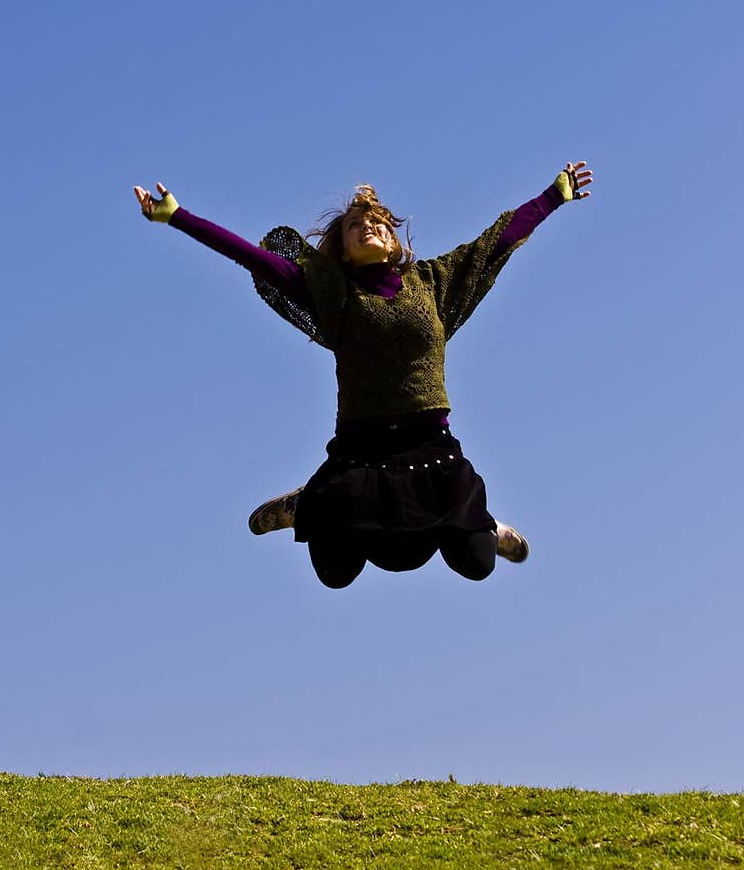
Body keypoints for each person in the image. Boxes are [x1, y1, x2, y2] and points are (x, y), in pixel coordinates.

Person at [132, 162, 593, 588]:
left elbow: (497, 240)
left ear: (394, 242)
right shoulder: (331, 294)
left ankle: (486, 527)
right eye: (355, 226)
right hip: (360, 451)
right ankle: (305, 504)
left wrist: (554, 195)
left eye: (378, 224)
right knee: (336, 572)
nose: (369, 227)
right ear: (345, 252)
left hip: (429, 446)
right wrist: (178, 216)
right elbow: (252, 258)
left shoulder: (433, 283)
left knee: (476, 564)